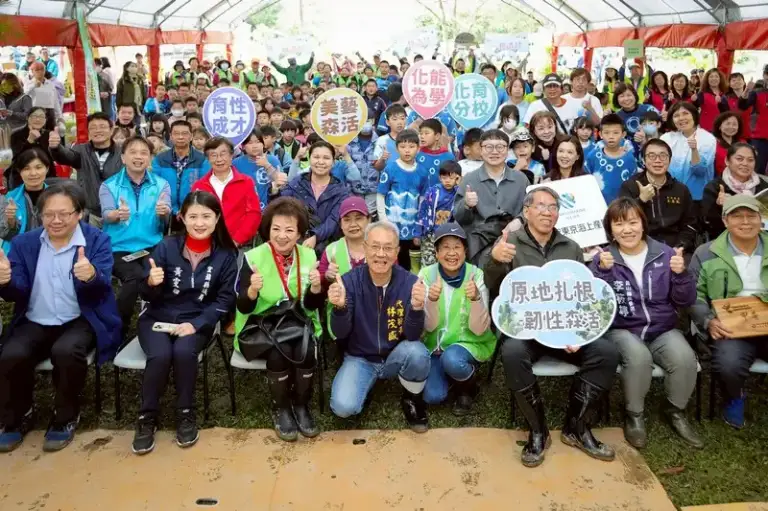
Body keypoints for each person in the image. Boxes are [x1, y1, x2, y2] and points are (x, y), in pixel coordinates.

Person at [484, 187, 620, 467]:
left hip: (564, 330)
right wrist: (496, 261)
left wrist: (579, 332)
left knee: (606, 351)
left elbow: (579, 296)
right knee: (512, 353)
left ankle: (577, 426)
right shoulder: (510, 243)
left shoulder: (570, 246)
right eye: (541, 206)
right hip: (529, 331)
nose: (548, 212)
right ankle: (537, 429)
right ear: (526, 211)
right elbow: (497, 290)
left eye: (553, 207)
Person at [0, 182, 121, 453]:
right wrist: (5, 282)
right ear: (40, 215)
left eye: (64, 214)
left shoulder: (96, 240)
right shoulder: (24, 243)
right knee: (11, 354)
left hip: (80, 318)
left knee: (66, 351)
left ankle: (65, 417)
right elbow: (16, 291)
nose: (55, 221)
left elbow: (102, 286)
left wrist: (91, 275)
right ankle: (17, 416)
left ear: (79, 214)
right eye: (48, 214)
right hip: (35, 319)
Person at [131, 191, 238, 455]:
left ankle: (185, 412)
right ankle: (147, 417)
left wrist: (199, 323)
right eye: (193, 216)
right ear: (182, 218)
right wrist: (151, 283)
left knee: (183, 351)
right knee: (160, 354)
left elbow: (225, 300)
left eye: (206, 216)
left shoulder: (226, 254)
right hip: (157, 317)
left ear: (217, 219)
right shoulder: (166, 246)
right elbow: (145, 295)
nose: (199, 223)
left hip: (196, 320)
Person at [591, 197, 702, 449]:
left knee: (685, 359)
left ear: (643, 224)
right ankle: (634, 414)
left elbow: (685, 300)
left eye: (632, 222)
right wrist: (602, 273)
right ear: (610, 229)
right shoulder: (605, 258)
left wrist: (681, 274)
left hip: (662, 327)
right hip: (622, 328)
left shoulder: (665, 253)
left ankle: (674, 409)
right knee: (639, 359)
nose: (627, 229)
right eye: (618, 224)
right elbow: (597, 304)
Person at [234, 197, 324, 441]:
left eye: (289, 230)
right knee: (279, 349)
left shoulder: (308, 256)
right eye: (276, 229)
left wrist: (317, 289)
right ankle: (281, 408)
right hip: (260, 326)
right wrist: (252, 290)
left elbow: (311, 305)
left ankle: (301, 406)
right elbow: (242, 305)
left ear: (299, 234)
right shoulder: (253, 257)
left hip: (297, 322)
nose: (282, 236)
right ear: (267, 230)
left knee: (305, 348)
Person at [328, 221, 431, 431]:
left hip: (395, 354)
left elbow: (412, 335)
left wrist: (417, 307)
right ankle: (365, 384)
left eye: (387, 248)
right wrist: (339, 308)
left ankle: (412, 398)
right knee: (343, 407)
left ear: (397, 252)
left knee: (418, 352)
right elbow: (340, 333)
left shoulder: (410, 283)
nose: (381, 254)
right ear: (365, 248)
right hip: (360, 357)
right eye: (375, 246)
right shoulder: (349, 282)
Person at [690, 195, 768, 429]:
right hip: (730, 327)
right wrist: (708, 321)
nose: (745, 221)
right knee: (728, 365)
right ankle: (735, 395)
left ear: (760, 219)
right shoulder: (706, 253)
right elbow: (694, 295)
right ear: (725, 221)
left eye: (751, 215)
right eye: (737, 216)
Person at [419, 223, 494, 415]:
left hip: (467, 343)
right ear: (436, 252)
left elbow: (479, 329)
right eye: (445, 247)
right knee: (432, 396)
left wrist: (476, 299)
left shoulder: (476, 275)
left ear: (465, 251)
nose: (451, 253)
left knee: (452, 359)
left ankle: (467, 388)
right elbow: (428, 326)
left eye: (457, 247)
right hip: (436, 346)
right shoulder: (426, 275)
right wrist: (431, 300)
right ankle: (452, 376)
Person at [100, 137, 171, 336]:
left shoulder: (162, 185)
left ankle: (156, 321)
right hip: (118, 248)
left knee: (159, 275)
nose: (138, 157)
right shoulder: (109, 186)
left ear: (150, 158)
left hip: (152, 246)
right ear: (123, 157)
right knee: (133, 277)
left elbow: (165, 222)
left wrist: (164, 212)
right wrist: (116, 215)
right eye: (133, 152)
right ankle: (118, 329)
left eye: (143, 153)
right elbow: (106, 214)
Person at [454, 129, 529, 267]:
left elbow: (530, 209)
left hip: (514, 241)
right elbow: (458, 217)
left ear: (507, 151)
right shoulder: (470, 179)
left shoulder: (521, 179)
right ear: (481, 150)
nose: (494, 152)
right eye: (488, 147)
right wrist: (466, 204)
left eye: (500, 147)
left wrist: (519, 219)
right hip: (480, 245)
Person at [619, 139, 697, 255]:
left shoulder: (681, 190)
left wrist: (680, 246)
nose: (658, 160)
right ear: (644, 160)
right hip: (640, 247)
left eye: (663, 156)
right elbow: (622, 219)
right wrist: (641, 200)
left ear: (669, 160)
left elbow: (690, 224)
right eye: (651, 156)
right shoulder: (630, 186)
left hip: (675, 248)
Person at [48, 112, 123, 226]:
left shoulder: (122, 152)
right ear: (88, 132)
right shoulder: (81, 150)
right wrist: (56, 147)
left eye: (102, 127)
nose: (98, 131)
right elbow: (66, 156)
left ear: (111, 130)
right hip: (90, 213)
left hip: (117, 212)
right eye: (93, 128)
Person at [191, 137, 262, 248]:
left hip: (238, 245)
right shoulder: (199, 186)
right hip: (206, 245)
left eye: (223, 154)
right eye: (213, 155)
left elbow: (254, 214)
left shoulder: (246, 182)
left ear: (231, 155)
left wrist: (236, 240)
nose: (219, 159)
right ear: (208, 159)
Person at [281, 141, 349, 254]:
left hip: (328, 248)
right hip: (296, 245)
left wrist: (315, 236)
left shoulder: (341, 191)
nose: (320, 162)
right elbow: (280, 205)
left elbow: (333, 220)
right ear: (310, 159)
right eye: (316, 157)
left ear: (333, 162)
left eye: (326, 158)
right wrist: (273, 191)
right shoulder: (297, 183)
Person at [376, 129, 427, 272]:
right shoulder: (391, 168)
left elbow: (423, 200)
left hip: (412, 226)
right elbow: (380, 195)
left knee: (410, 262)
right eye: (403, 147)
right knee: (391, 258)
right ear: (397, 148)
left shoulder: (422, 172)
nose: (407, 150)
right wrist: (384, 219)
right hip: (392, 224)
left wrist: (420, 224)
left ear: (418, 148)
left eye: (411, 147)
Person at [319, 196, 370, 339]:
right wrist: (327, 277)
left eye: (359, 218)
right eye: (347, 219)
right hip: (341, 317)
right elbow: (319, 288)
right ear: (340, 224)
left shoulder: (380, 247)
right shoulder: (331, 251)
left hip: (374, 317)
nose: (353, 224)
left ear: (369, 220)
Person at [700, 143, 767, 241]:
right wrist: (720, 207)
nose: (745, 163)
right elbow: (708, 225)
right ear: (727, 161)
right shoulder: (715, 187)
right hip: (725, 240)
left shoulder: (763, 186)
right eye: (739, 159)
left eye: (750, 160)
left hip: (761, 238)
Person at [661, 101, 716, 204]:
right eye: (676, 115)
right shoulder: (666, 138)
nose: (681, 118)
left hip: (697, 197)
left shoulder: (707, 138)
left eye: (685, 113)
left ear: (694, 115)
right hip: (671, 195)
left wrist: (694, 150)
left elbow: (700, 171)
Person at [152, 120, 209, 219]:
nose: (180, 137)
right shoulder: (160, 159)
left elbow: (204, 188)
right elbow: (154, 186)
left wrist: (188, 209)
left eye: (184, 133)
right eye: (176, 133)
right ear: (171, 136)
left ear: (191, 136)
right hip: (164, 211)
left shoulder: (202, 160)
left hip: (193, 212)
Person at [0, 147, 53, 251]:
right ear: (20, 171)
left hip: (49, 254)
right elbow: (5, 235)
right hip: (17, 256)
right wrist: (11, 220)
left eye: (38, 167)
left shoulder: (58, 197)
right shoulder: (9, 198)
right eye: (26, 168)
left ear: (47, 169)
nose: (33, 173)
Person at [416, 160, 462, 268]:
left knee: (446, 262)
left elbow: (465, 202)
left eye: (451, 178)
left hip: (448, 234)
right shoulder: (432, 192)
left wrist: (461, 185)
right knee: (428, 261)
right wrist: (418, 233)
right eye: (444, 177)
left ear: (457, 178)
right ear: (440, 177)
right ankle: (426, 282)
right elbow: (422, 211)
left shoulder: (459, 192)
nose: (447, 181)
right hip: (430, 233)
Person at [585, 114, 637, 203]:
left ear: (623, 134)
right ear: (600, 134)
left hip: (623, 206)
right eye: (606, 133)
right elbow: (586, 181)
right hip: (598, 205)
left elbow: (633, 185)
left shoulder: (629, 158)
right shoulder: (593, 156)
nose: (611, 136)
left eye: (616, 133)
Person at [233, 130, 284, 211]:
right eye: (250, 143)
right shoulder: (236, 163)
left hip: (270, 209)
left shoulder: (272, 160)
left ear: (263, 144)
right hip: (247, 210)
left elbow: (281, 183)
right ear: (243, 146)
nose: (254, 146)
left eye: (257, 142)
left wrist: (267, 165)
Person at [8, 107, 57, 189]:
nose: (38, 119)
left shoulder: (49, 135)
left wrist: (57, 146)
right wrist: (29, 141)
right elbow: (17, 159)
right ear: (27, 118)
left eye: (41, 117)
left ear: (45, 120)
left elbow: (54, 158)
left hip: (47, 178)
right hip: (23, 178)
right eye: (34, 116)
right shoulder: (16, 135)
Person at [613, 83, 659, 156]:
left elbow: (660, 128)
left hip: (652, 151)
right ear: (617, 99)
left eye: (629, 95)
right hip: (629, 154)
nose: (626, 99)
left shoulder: (649, 109)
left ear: (635, 95)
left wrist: (646, 137)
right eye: (621, 96)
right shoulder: (616, 117)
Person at [347, 120, 379, 216]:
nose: (365, 123)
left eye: (368, 120)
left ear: (373, 121)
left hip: (373, 188)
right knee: (357, 215)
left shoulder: (380, 142)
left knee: (371, 217)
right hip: (354, 189)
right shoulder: (350, 142)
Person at [738, 79, 768, 175]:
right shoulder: (757, 93)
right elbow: (742, 106)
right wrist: (746, 91)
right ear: (765, 76)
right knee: (757, 169)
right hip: (760, 137)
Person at [416, 119, 455, 189]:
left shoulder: (448, 157)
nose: (422, 136)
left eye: (426, 133)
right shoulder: (417, 155)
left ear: (437, 136)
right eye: (421, 133)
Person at [692, 69, 729, 133]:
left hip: (721, 128)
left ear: (720, 79)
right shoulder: (702, 94)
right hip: (705, 128)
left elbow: (727, 112)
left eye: (716, 76)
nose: (714, 79)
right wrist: (694, 101)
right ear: (707, 79)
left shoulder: (725, 94)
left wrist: (720, 103)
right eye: (711, 77)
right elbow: (695, 107)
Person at [713, 111, 744, 176]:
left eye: (734, 124)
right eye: (727, 124)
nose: (731, 127)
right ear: (719, 126)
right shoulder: (712, 144)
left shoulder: (743, 143)